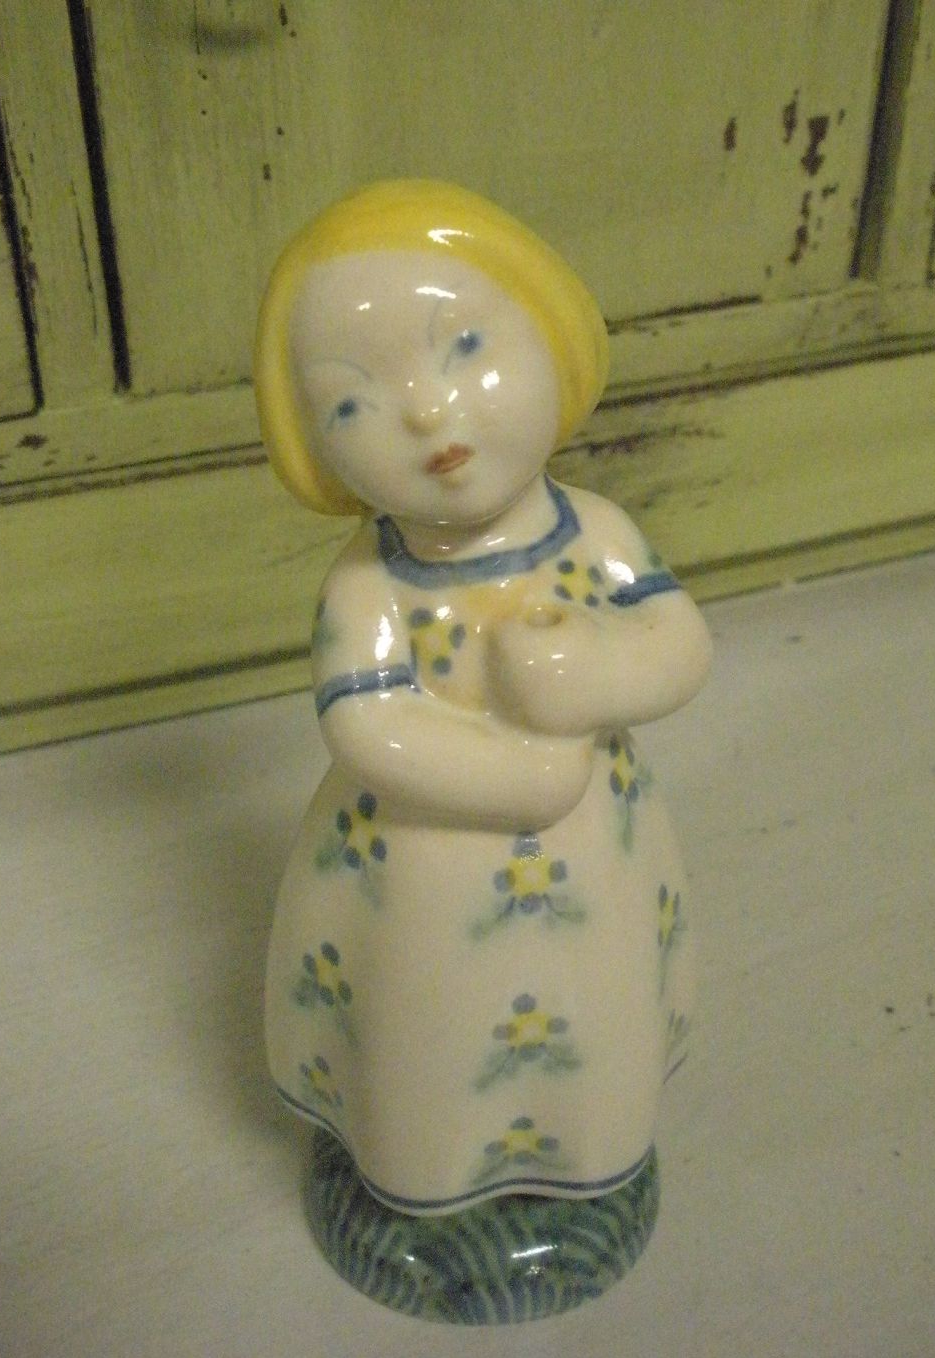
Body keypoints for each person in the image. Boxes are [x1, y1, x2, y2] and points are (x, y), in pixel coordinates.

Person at [255, 180, 711, 1216]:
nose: (425, 411)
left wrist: (597, 666)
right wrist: (517, 775)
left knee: (594, 1002)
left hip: (595, 854)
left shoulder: (597, 533)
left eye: (464, 347)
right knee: (428, 1025)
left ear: (554, 336)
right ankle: (418, 1186)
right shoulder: (370, 584)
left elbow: (680, 642)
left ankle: (590, 1165)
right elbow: (363, 719)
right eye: (351, 402)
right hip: (420, 867)